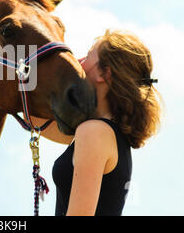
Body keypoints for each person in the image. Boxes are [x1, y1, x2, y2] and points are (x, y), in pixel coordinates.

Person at [32, 29, 163, 216]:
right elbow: (34, 119)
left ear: (104, 73)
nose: (78, 62)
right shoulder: (106, 133)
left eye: (87, 56)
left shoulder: (94, 132)